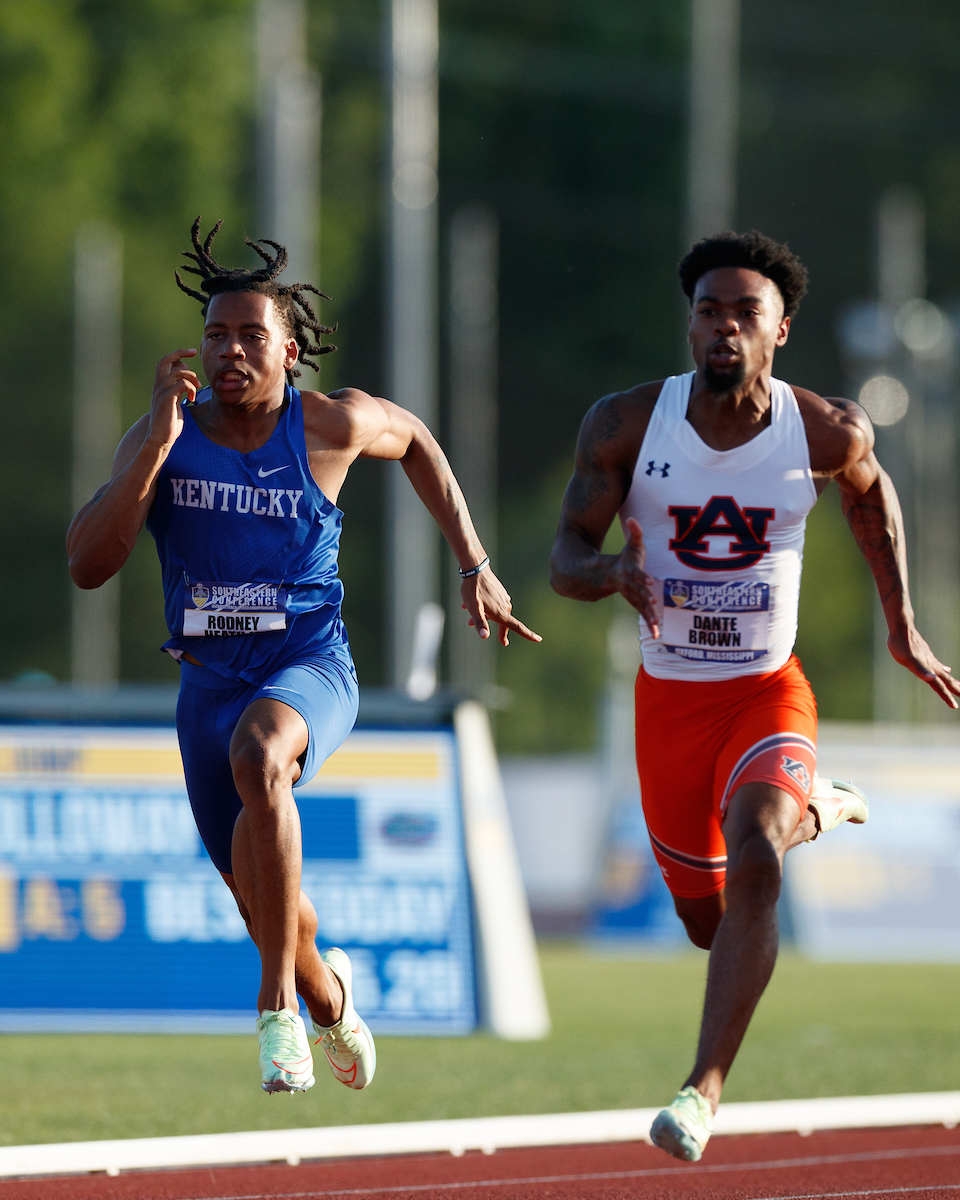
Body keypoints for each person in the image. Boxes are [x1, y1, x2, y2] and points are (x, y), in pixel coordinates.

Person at [67, 218, 540, 1095]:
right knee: (265, 908)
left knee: (262, 758)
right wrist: (154, 449)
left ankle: (275, 1010)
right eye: (216, 336)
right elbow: (87, 567)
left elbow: (423, 445)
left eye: (252, 335)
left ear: (291, 350)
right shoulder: (163, 438)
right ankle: (326, 998)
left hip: (308, 668)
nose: (231, 351)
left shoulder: (330, 424)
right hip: (204, 689)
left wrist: (475, 563)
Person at [549, 230, 959, 1162]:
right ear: (689, 327)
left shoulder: (824, 428)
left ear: (782, 331)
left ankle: (701, 1091)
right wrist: (611, 572)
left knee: (760, 857)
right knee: (709, 919)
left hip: (767, 689)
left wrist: (901, 626)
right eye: (708, 311)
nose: (724, 326)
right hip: (671, 704)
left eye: (745, 312)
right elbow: (563, 558)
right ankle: (827, 804)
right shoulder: (623, 424)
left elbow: (870, 496)